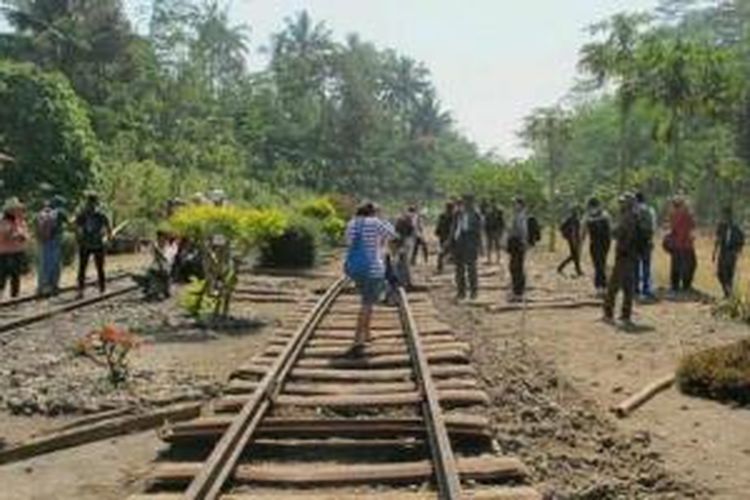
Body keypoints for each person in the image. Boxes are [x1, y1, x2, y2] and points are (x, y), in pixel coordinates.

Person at [344, 202, 396, 352]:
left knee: (367, 300)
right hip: (373, 269)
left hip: (355, 269)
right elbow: (392, 235)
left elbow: (348, 242)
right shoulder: (375, 222)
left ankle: (367, 333)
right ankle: (357, 339)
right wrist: (383, 219)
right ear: (373, 212)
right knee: (367, 303)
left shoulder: (352, 223)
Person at [603, 194, 639, 326]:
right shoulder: (635, 217)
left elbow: (616, 233)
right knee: (628, 287)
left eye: (622, 203)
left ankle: (608, 312)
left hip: (623, 255)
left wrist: (611, 227)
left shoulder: (626, 218)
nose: (620, 205)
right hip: (632, 256)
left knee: (613, 285)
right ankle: (625, 314)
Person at [75, 193, 112, 298]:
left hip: (85, 244)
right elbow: (108, 227)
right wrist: (108, 239)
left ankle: (81, 290)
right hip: (98, 244)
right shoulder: (101, 214)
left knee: (82, 268)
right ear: (96, 202)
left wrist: (79, 240)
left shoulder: (83, 213)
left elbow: (77, 229)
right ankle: (102, 289)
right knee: (100, 267)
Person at [450, 195, 483, 300]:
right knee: (459, 268)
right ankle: (461, 292)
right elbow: (453, 228)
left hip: (471, 241)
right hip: (459, 242)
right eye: (465, 201)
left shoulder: (476, 214)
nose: (466, 204)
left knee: (471, 268)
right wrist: (450, 242)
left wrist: (480, 246)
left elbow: (479, 232)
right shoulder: (457, 214)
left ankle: (474, 292)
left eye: (468, 201)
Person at [36, 195, 67, 296]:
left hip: (43, 241)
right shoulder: (60, 212)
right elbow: (71, 223)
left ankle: (42, 286)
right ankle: (53, 286)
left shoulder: (42, 213)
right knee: (55, 263)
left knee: (44, 263)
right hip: (55, 240)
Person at [133, 230, 178, 300]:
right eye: (159, 238)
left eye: (162, 238)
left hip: (166, 269)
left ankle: (159, 290)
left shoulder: (171, 247)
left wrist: (158, 251)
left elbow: (166, 258)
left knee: (157, 273)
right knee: (149, 272)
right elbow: (149, 255)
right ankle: (153, 290)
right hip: (157, 268)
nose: (161, 240)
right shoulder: (156, 245)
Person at [666, 196, 696, 294]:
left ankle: (675, 286)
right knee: (690, 265)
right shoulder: (686, 214)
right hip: (685, 244)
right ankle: (686, 286)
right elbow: (693, 224)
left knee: (676, 265)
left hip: (676, 244)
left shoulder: (673, 214)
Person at [581, 197, 612, 296]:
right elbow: (611, 229)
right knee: (602, 263)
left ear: (589, 205)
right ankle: (603, 287)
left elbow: (583, 232)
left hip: (594, 243)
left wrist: (580, 244)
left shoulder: (587, 216)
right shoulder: (606, 214)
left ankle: (600, 287)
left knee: (597, 265)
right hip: (605, 244)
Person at [0, 198, 29, 299]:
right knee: (2, 274)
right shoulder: (3, 221)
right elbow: (3, 235)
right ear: (9, 210)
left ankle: (15, 295)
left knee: (15, 274)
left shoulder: (20, 221)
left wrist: (23, 236)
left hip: (17, 251)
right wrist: (15, 235)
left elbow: (26, 234)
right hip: (4, 251)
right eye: (15, 209)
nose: (17, 211)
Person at [713, 206, 745, 298]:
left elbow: (742, 240)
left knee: (729, 273)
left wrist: (738, 251)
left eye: (726, 215)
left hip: (731, 253)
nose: (725, 217)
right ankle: (727, 291)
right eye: (723, 215)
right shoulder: (721, 226)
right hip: (723, 252)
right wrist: (714, 253)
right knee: (720, 274)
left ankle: (728, 294)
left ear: (730, 215)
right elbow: (717, 240)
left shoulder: (736, 228)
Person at [633, 192, 657, 299]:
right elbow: (653, 227)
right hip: (647, 241)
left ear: (636, 200)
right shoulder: (650, 210)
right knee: (647, 265)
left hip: (636, 242)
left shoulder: (634, 211)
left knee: (636, 266)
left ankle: (636, 289)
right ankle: (647, 289)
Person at [506, 197, 529, 301]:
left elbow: (523, 231)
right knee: (513, 267)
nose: (514, 206)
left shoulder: (521, 216)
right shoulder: (516, 215)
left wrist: (523, 243)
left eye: (516, 204)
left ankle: (518, 292)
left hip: (518, 243)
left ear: (521, 205)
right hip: (514, 243)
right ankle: (516, 290)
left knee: (517, 267)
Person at [557, 206, 583, 277]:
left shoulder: (569, 219)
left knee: (575, 256)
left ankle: (578, 270)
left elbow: (561, 227)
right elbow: (576, 232)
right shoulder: (575, 220)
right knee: (574, 256)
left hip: (571, 239)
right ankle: (560, 267)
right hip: (573, 240)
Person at [435, 201, 455, 273]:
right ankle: (440, 267)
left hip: (447, 236)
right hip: (447, 237)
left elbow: (439, 225)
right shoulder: (451, 216)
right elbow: (439, 225)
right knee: (443, 252)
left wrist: (437, 231)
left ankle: (440, 267)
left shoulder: (452, 216)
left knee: (443, 252)